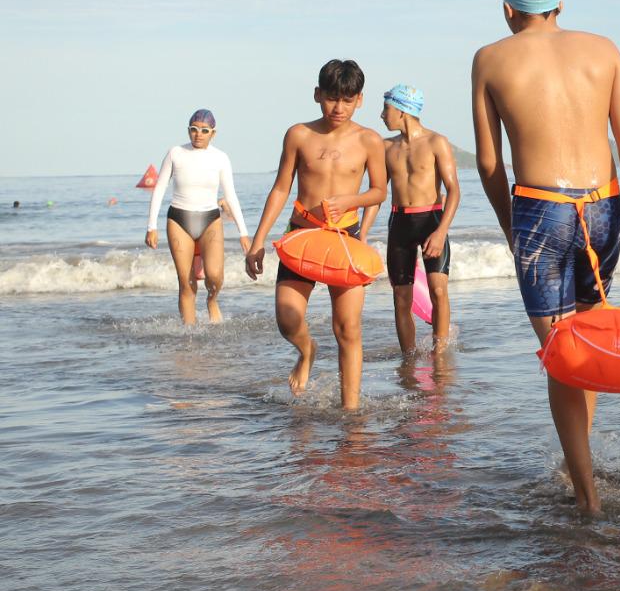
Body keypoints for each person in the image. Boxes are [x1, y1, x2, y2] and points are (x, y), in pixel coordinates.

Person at [471, 0, 620, 515]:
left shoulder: (489, 58)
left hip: (541, 211)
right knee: (586, 349)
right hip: (605, 209)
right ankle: (579, 466)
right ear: (558, 4)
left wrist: (511, 228)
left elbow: (487, 163)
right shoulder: (604, 50)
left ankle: (587, 497)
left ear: (508, 8)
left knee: (561, 355)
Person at [245, 60, 387, 410]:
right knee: (286, 318)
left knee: (347, 329)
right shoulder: (299, 135)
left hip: (345, 239)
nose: (339, 108)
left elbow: (380, 191)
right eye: (332, 98)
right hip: (302, 234)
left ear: (360, 100)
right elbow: (281, 188)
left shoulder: (369, 140)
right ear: (317, 95)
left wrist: (350, 200)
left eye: (348, 100)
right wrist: (257, 241)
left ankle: (350, 410)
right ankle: (307, 350)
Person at [144, 109, 249, 324]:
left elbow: (231, 196)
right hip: (179, 219)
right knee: (186, 283)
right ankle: (189, 334)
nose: (198, 134)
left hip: (210, 219)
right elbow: (160, 187)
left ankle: (212, 300)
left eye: (204, 130)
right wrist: (151, 226)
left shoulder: (220, 158)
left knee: (215, 276)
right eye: (193, 129)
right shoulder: (175, 153)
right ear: (188, 130)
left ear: (213, 133)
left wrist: (243, 233)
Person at [380, 83, 460, 354]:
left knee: (438, 290)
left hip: (431, 221)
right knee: (401, 298)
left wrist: (441, 232)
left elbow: (453, 190)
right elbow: (378, 192)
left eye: (386, 108)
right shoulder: (385, 147)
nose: (382, 115)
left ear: (402, 110)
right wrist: (362, 233)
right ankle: (409, 358)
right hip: (399, 223)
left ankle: (439, 355)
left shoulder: (436, 142)